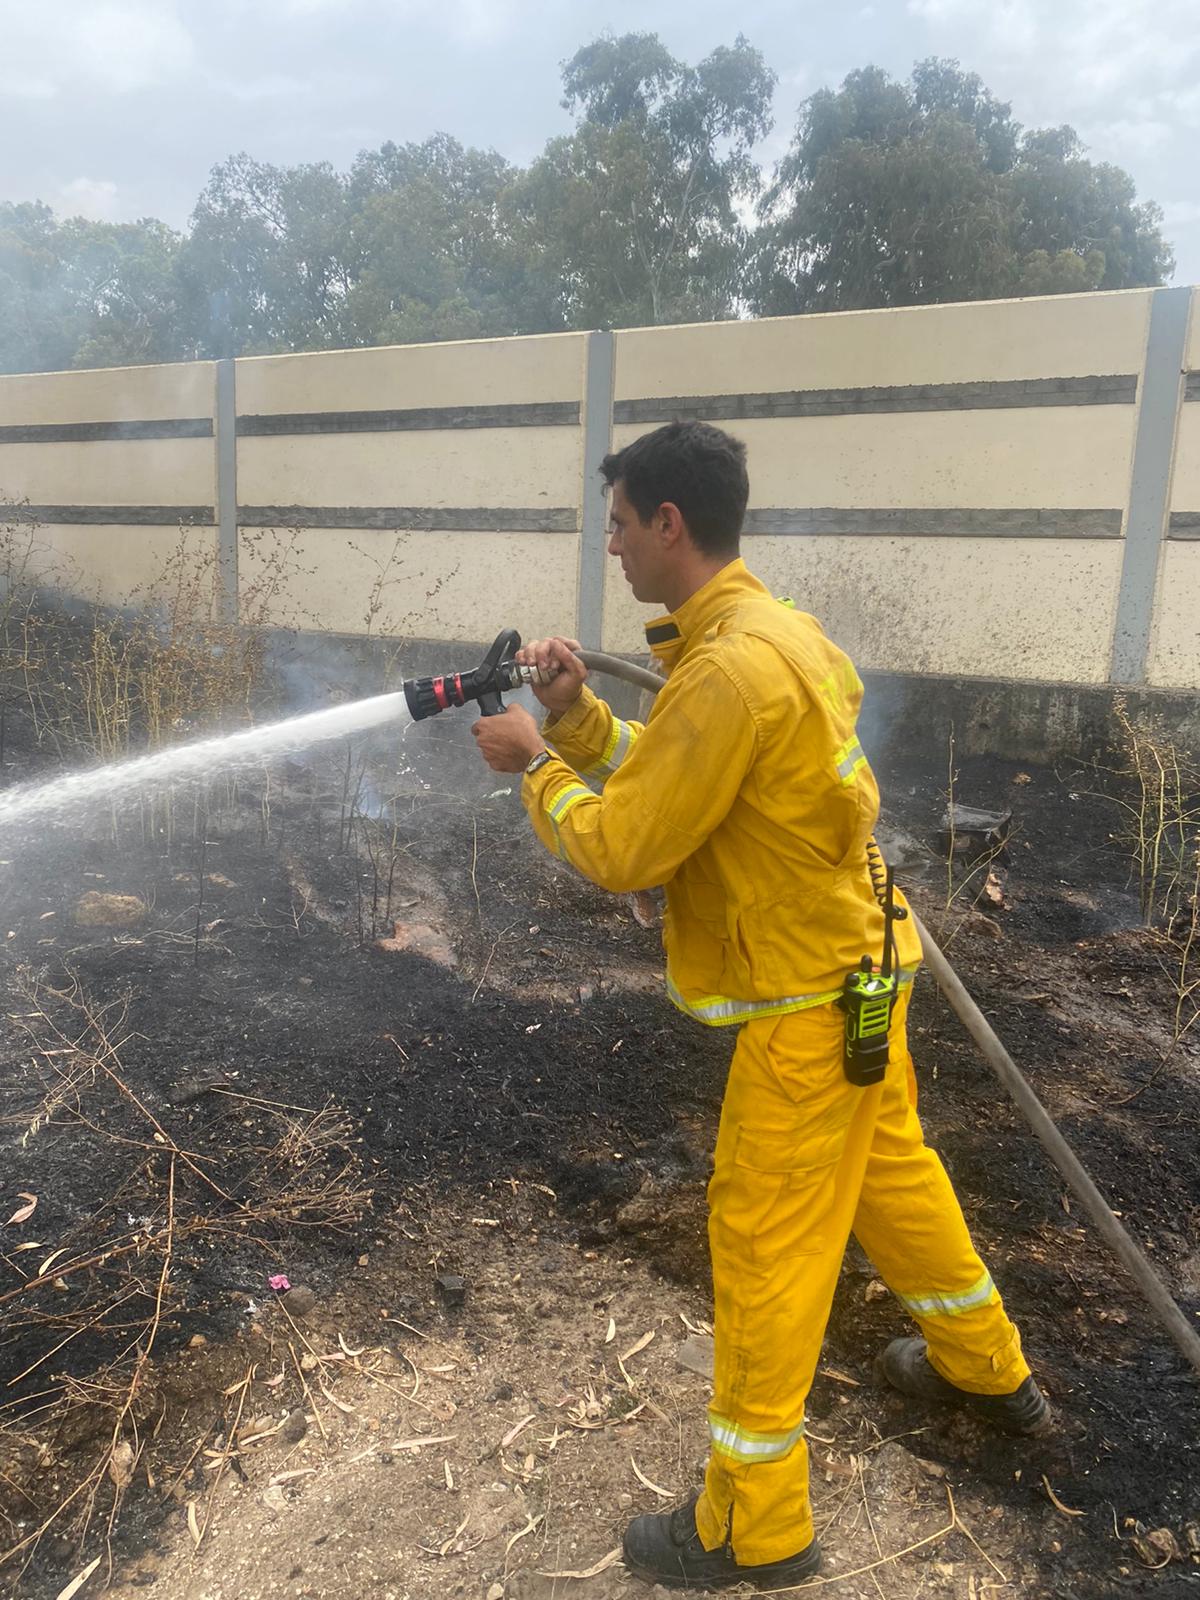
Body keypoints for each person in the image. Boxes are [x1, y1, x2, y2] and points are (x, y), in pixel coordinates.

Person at [471, 421, 1049, 1592]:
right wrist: (581, 722)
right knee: (894, 1178)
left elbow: (631, 843)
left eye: (622, 525)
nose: (615, 547)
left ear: (668, 524)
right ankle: (985, 1365)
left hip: (807, 1003)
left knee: (763, 1245)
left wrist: (535, 764)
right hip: (863, 975)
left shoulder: (729, 666)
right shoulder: (770, 636)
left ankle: (755, 1525)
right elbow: (697, 780)